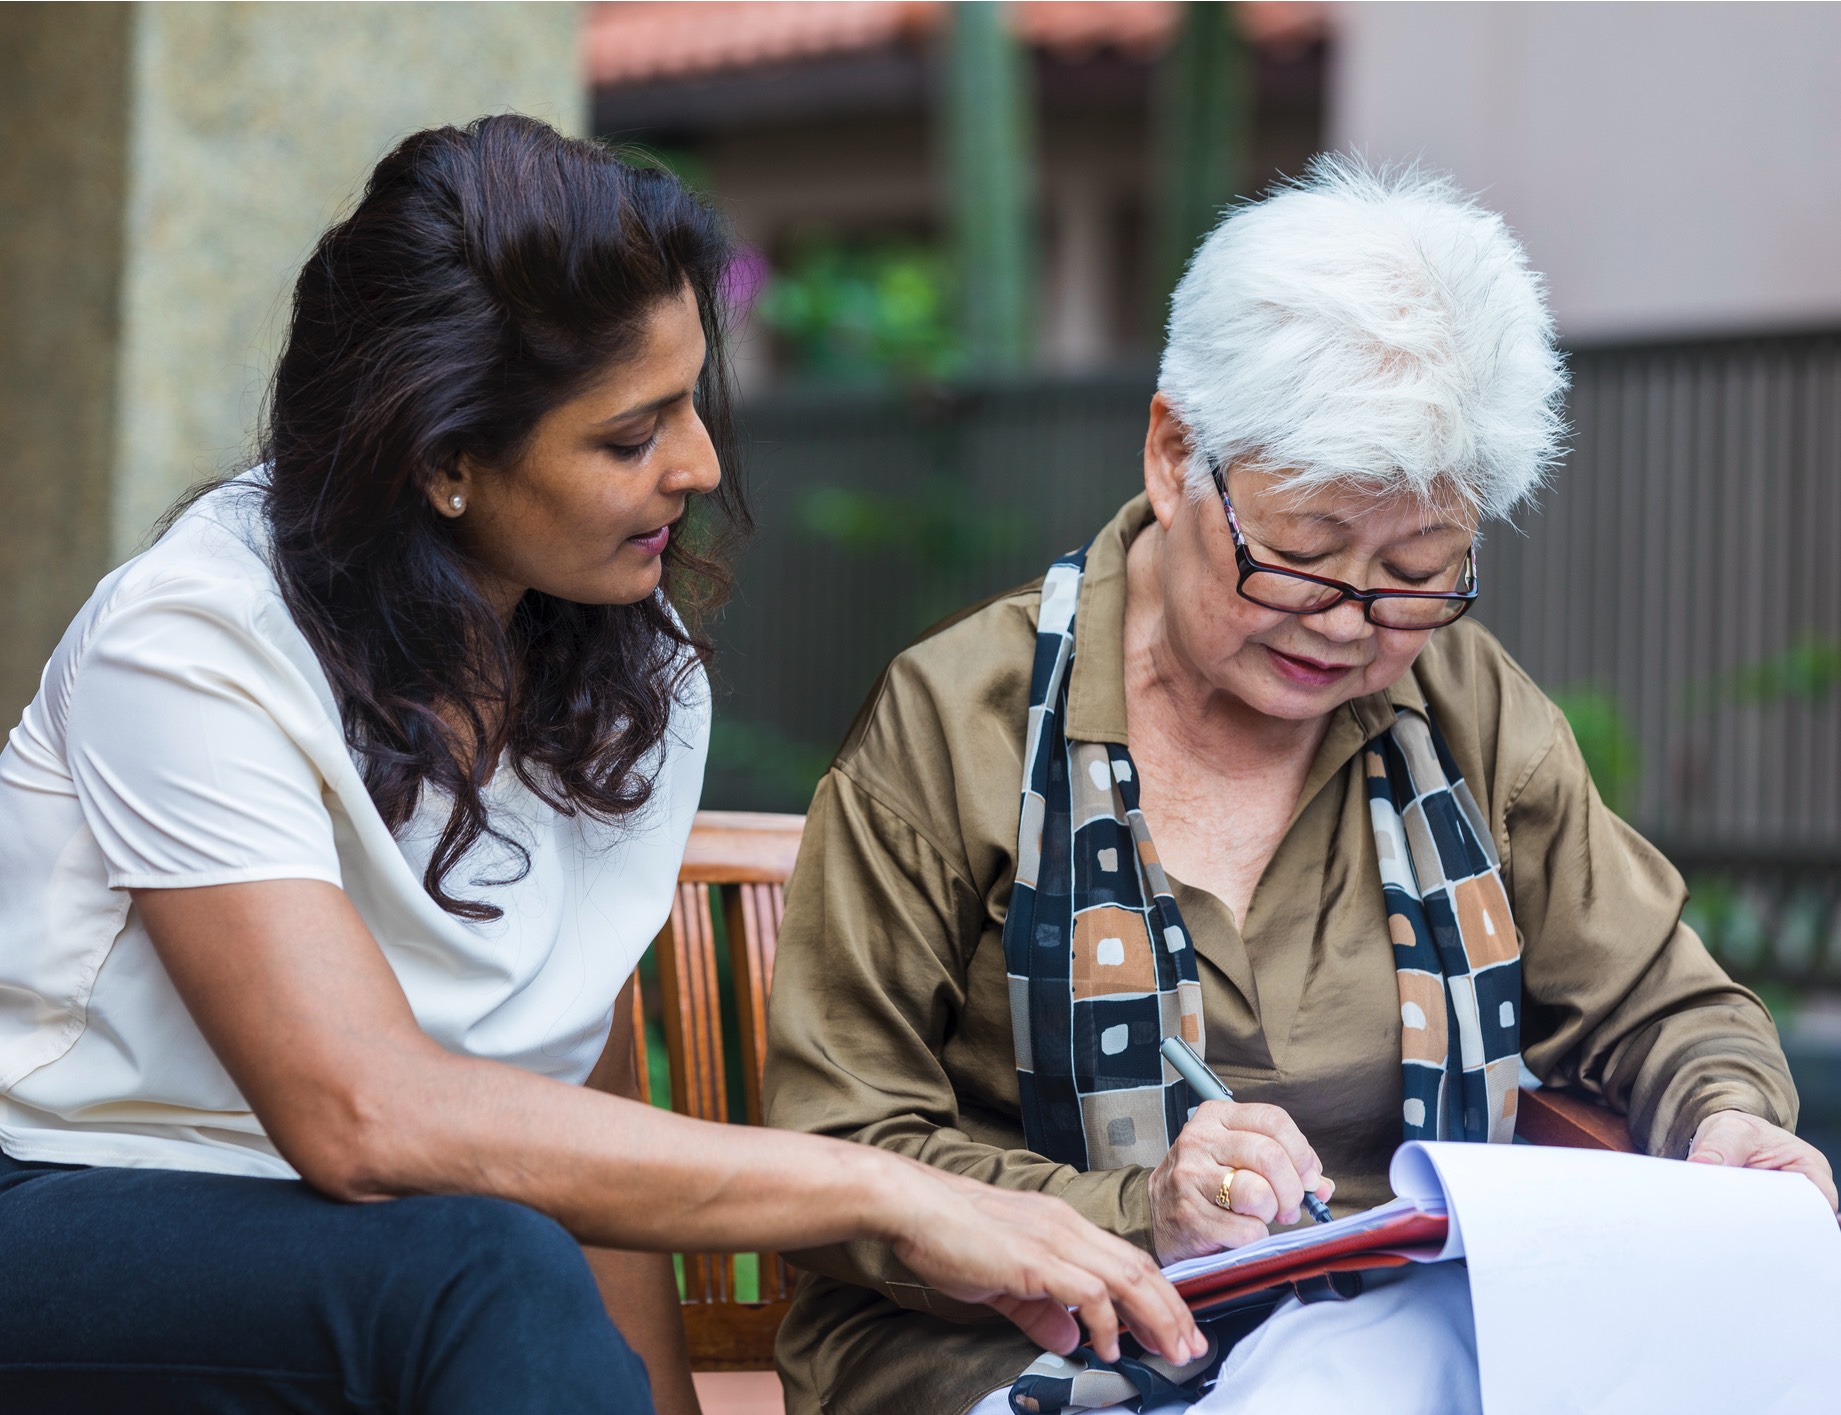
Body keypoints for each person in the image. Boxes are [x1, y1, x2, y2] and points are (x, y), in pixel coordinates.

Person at [0, 116, 1203, 1415]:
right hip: (67, 1196)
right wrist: (898, 1187)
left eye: (694, 397)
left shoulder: (625, 669)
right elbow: (363, 1116)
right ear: (444, 458)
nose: (698, 462)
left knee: (482, 1255)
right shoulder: (193, 639)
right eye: (631, 434)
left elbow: (572, 1071)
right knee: (479, 1262)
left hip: (396, 1255)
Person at [762, 158, 1839, 1415]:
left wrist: (1723, 1122)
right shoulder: (962, 725)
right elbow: (836, 1149)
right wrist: (1134, 1213)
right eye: (1304, 555)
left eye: (1416, 571)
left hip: (1388, 1339)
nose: (1348, 621)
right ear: (1172, 454)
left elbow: (1664, 1005)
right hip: (1023, 1360)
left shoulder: (1463, 713)